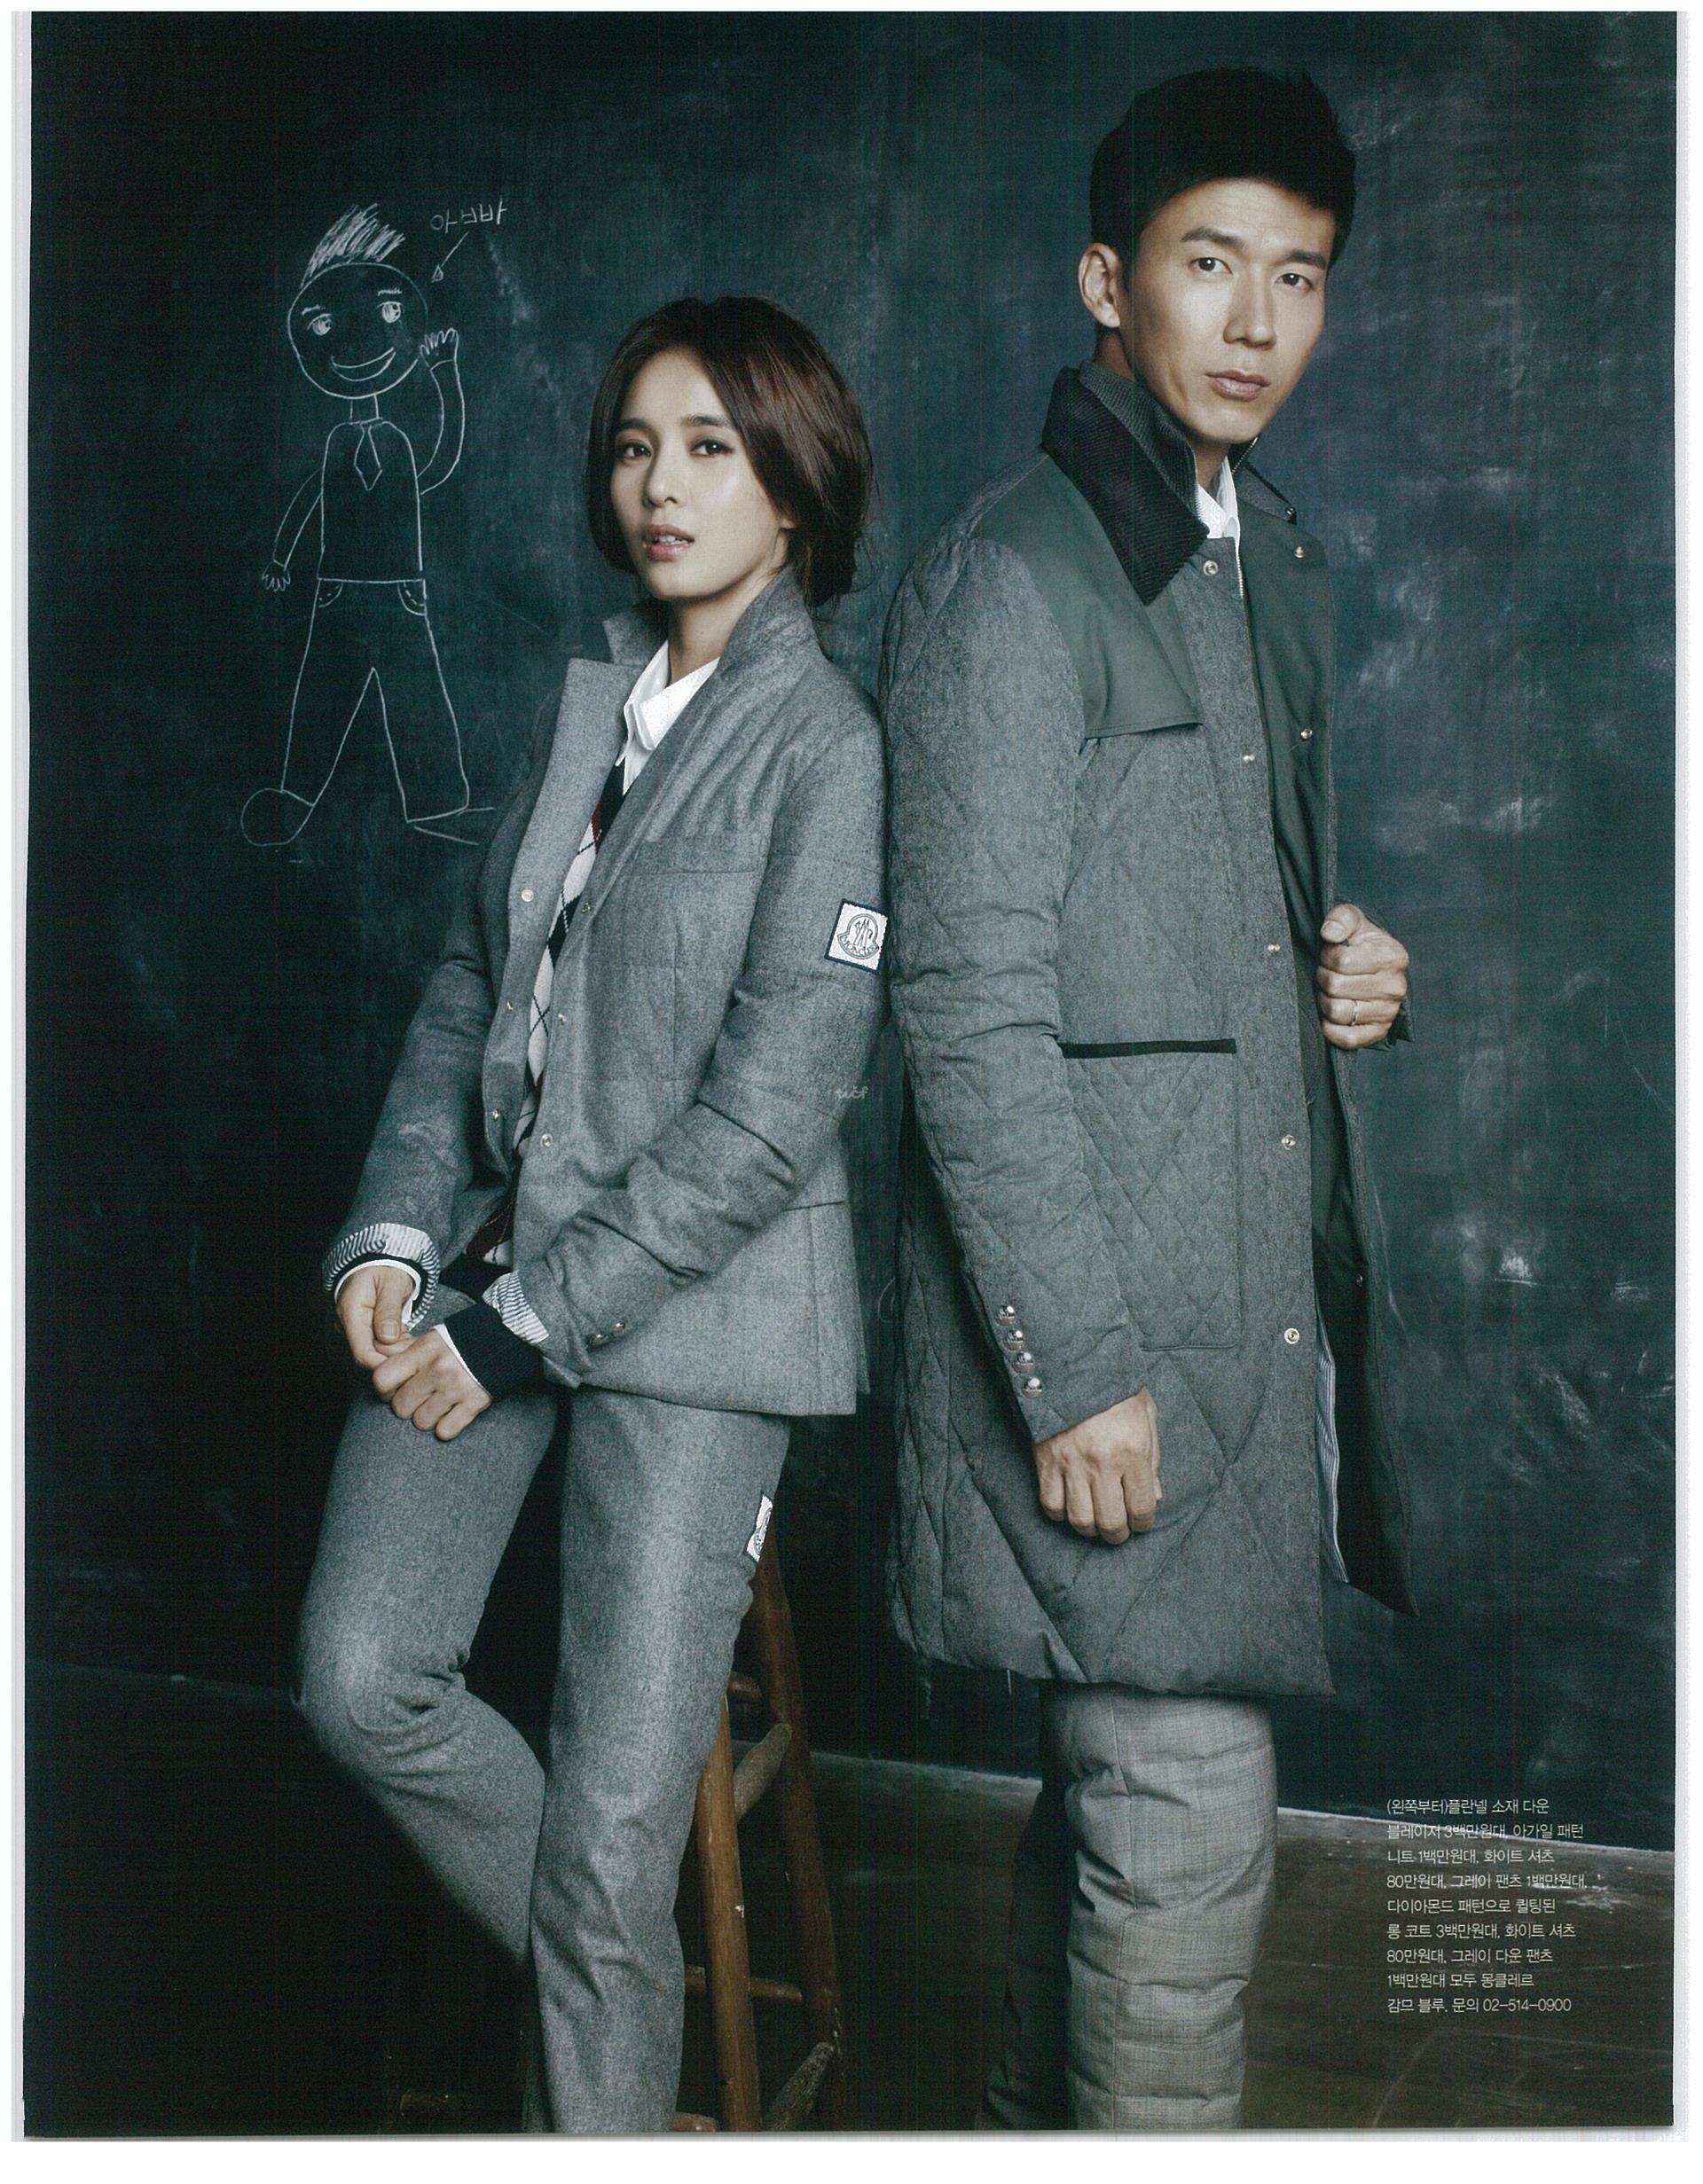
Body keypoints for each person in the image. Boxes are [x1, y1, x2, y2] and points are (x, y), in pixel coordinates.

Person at [881, 68, 1415, 2130]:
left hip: (1226, 1326)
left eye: (1302, 276)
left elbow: (1164, 910)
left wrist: (1330, 969)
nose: (1258, 321)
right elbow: (962, 1001)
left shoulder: (1253, 550)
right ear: (1111, 284)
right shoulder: (1006, 578)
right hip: (1110, 1349)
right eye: (1212, 264)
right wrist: (1074, 1362)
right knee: (1183, 1824)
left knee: (1121, 1817)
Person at [294, 294, 885, 2132]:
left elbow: (767, 1122)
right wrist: (397, 1233)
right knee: (359, 1677)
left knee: (620, 1835)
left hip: (697, 1323)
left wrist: (521, 1323)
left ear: (795, 486)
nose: (661, 485)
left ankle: (606, 2042)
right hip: (491, 1261)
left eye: (710, 447)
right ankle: (608, 1961)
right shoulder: (593, 702)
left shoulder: (824, 747)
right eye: (637, 445)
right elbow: (473, 987)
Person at [243, 204, 472, 849]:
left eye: (389, 312)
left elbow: (439, 463)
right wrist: (282, 556)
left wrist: (446, 376)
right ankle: (296, 793)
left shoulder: (395, 439)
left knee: (417, 694)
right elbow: (310, 499)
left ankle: (438, 803)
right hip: (338, 590)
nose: (358, 344)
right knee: (323, 690)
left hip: (399, 591)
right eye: (323, 324)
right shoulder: (338, 442)